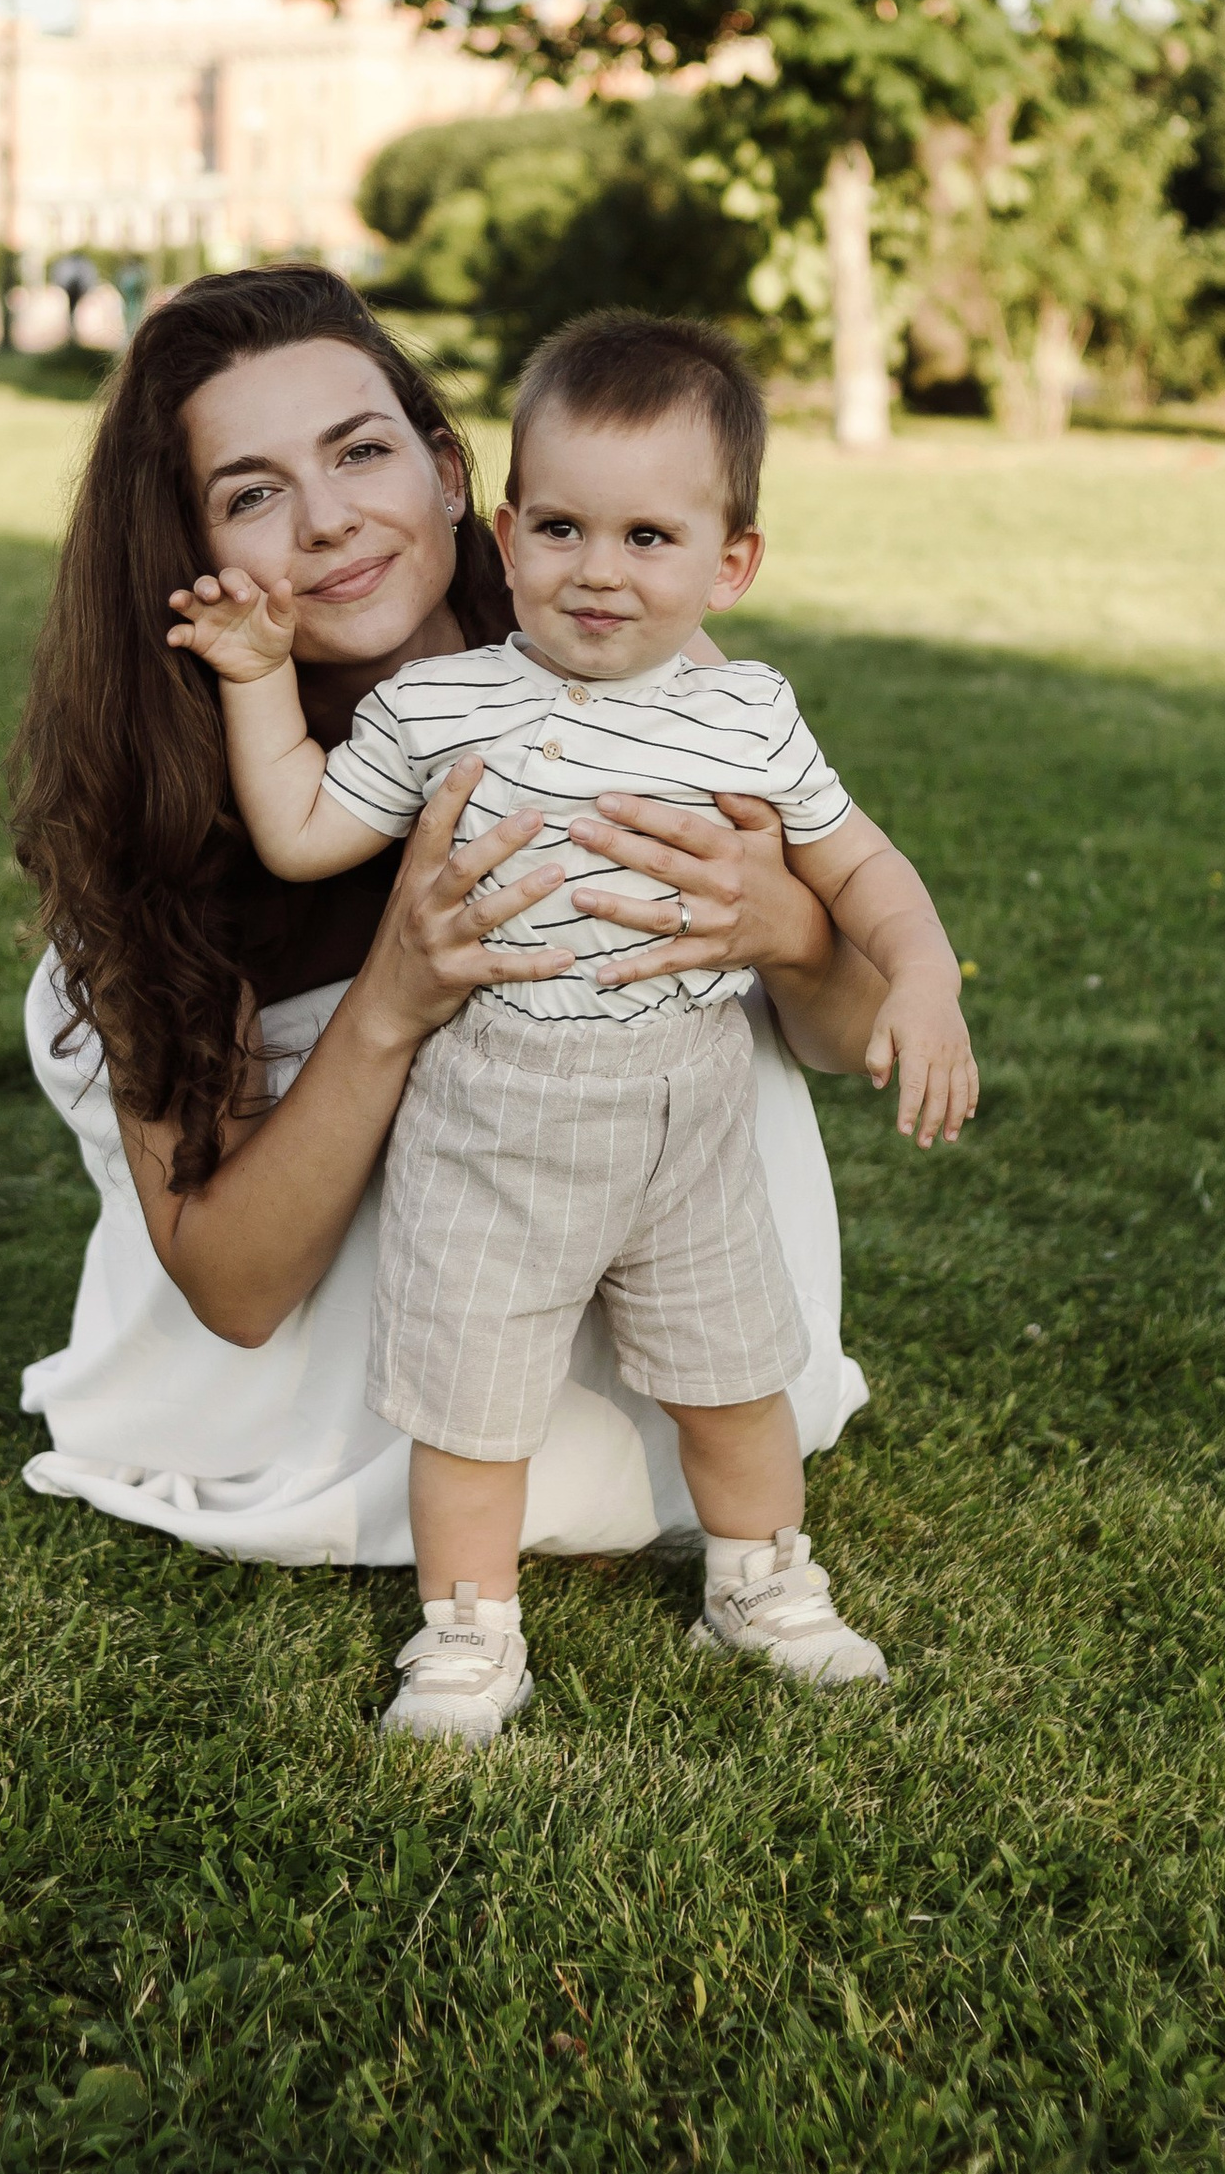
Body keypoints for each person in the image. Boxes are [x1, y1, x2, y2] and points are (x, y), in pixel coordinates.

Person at [9, 266, 895, 1648]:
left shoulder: (609, 640)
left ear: (442, 470)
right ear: (190, 545)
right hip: (350, 1396)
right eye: (251, 493)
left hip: (670, 1315)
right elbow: (236, 1289)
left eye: (361, 452)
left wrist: (781, 925)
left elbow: (839, 1037)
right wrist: (395, 1001)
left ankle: (726, 1525)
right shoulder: (177, 824)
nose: (328, 521)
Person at [171, 312, 974, 1741]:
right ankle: (469, 1637)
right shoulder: (442, 704)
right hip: (498, 1113)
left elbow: (860, 863)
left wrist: (924, 974)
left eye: (649, 540)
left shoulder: (746, 712)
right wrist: (253, 680)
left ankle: (764, 1580)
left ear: (732, 564)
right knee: (469, 1403)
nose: (599, 572)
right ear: (505, 532)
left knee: (738, 1377)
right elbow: (297, 831)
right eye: (560, 529)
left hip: (688, 1111)